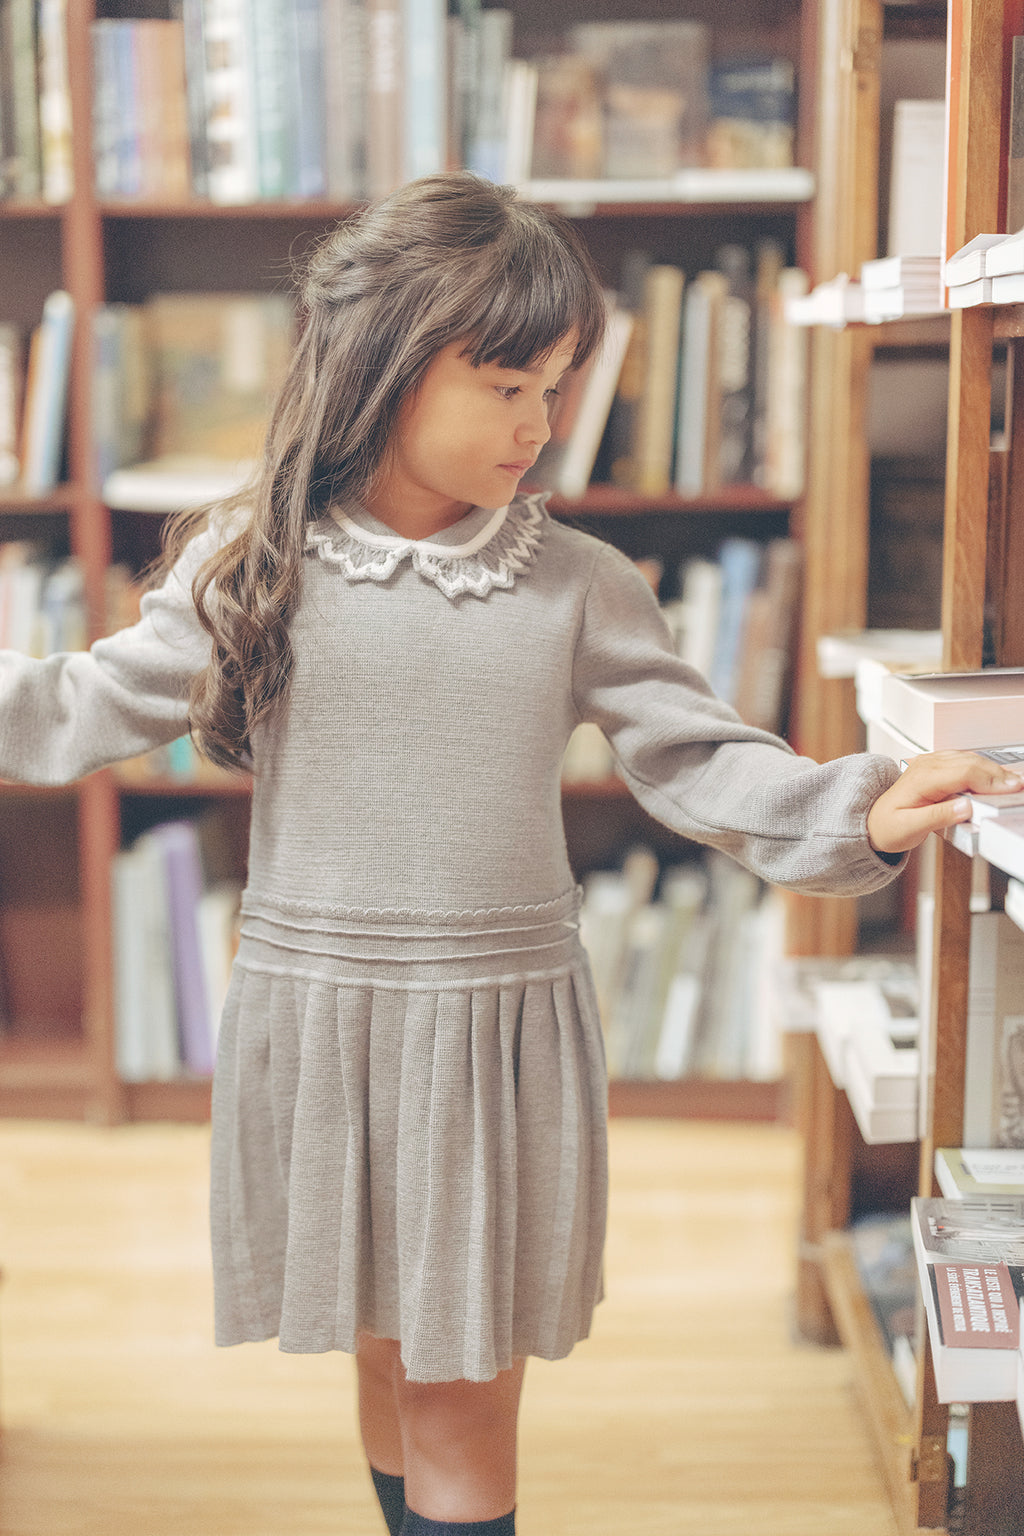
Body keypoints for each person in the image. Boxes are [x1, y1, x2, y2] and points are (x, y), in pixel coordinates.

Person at [0, 172, 1019, 1536]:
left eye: (556, 389)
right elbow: (77, 705)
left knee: (462, 1387)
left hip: (492, 1043)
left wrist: (854, 807)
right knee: (379, 1349)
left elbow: (696, 754)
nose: (541, 427)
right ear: (382, 369)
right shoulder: (255, 566)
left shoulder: (577, 583)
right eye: (506, 387)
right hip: (319, 1027)